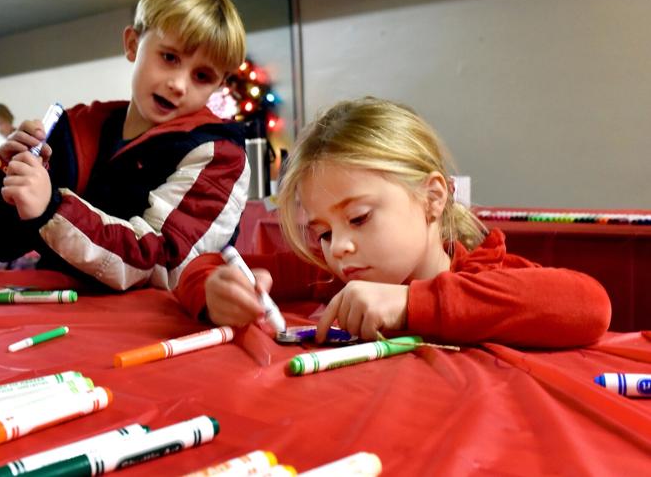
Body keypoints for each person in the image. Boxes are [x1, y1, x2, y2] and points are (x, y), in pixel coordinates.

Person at [174, 97, 611, 347]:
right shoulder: (331, 274)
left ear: (432, 198)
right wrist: (216, 292)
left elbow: (590, 305)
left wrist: (409, 305)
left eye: (359, 218)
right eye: (324, 232)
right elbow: (207, 264)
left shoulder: (486, 275)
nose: (338, 247)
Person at [0, 0, 249, 291]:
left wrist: (51, 209)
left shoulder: (218, 154)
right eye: (169, 57)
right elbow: (0, 241)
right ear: (132, 44)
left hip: (153, 331)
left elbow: (161, 263)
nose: (179, 85)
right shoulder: (76, 127)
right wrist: (4, 174)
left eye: (202, 76)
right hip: (52, 313)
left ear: (219, 85)